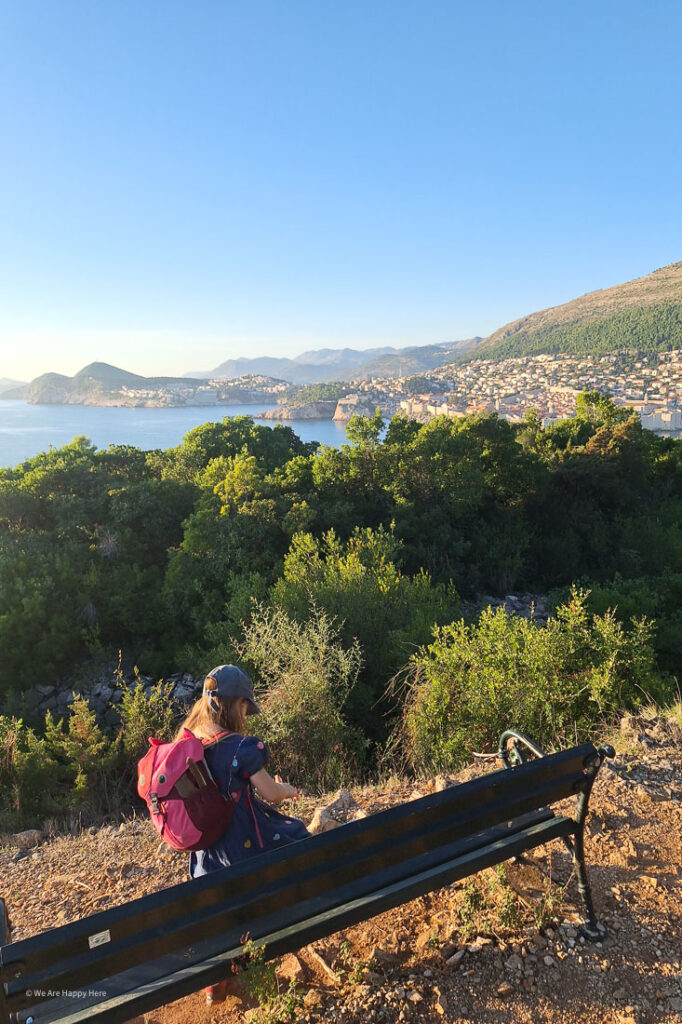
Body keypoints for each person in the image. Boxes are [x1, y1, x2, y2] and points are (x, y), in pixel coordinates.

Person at [177, 663, 310, 1005]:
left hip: (205, 858)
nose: (247, 714)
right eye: (246, 707)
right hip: (242, 849)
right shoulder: (240, 748)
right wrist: (289, 788)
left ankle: (214, 985)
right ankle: (268, 949)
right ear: (236, 705)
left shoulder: (189, 742)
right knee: (298, 838)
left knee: (221, 910)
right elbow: (271, 794)